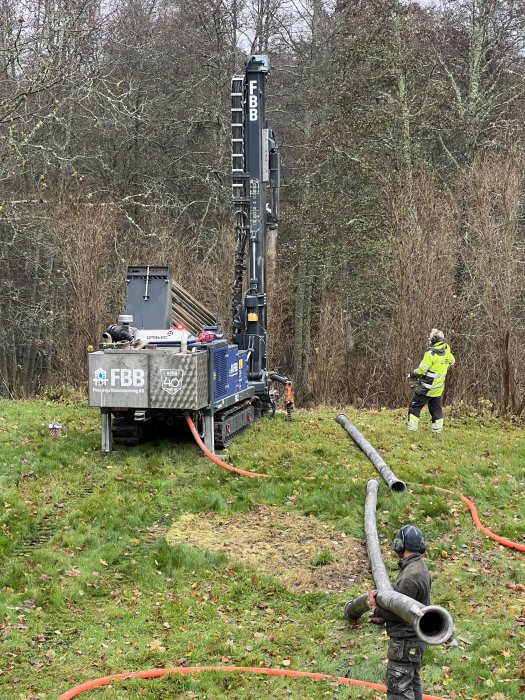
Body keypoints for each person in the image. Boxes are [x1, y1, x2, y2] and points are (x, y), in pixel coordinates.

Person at [367, 525, 431, 700]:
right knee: (412, 683)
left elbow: (398, 612)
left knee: (399, 691)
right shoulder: (419, 567)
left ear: (400, 545)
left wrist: (376, 608)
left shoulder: (409, 577)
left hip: (405, 642)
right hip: (416, 639)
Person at [407, 328, 455, 433]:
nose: (429, 339)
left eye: (430, 337)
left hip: (426, 388)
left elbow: (421, 370)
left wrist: (412, 373)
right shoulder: (446, 350)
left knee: (414, 406)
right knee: (436, 410)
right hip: (438, 388)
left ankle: (411, 431)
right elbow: (452, 361)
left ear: (434, 339)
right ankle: (437, 432)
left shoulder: (431, 353)